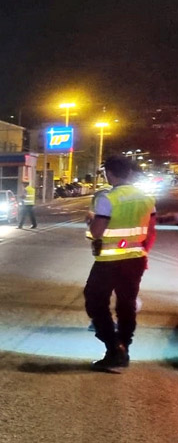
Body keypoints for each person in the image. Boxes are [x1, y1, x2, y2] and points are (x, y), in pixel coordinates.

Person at [84, 155, 156, 371]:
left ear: (109, 173)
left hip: (108, 261)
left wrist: (90, 222)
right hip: (136, 260)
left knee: (96, 301)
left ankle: (114, 348)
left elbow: (97, 232)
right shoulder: (147, 198)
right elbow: (151, 231)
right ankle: (124, 347)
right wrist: (141, 251)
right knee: (127, 305)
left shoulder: (108, 199)